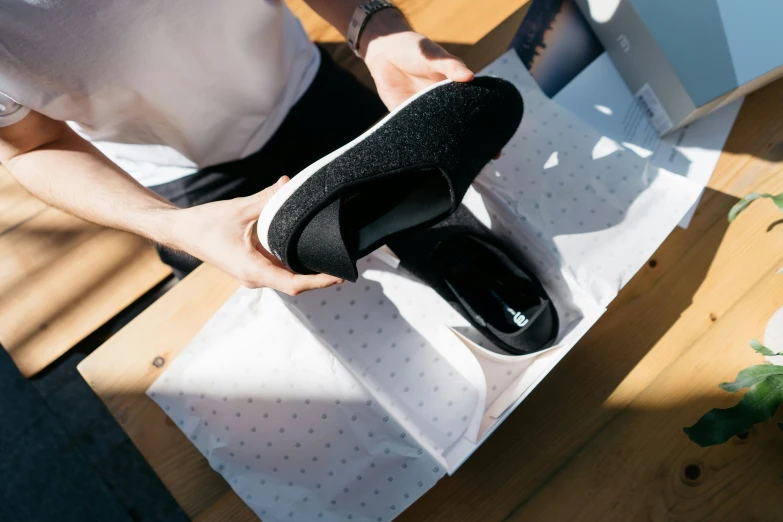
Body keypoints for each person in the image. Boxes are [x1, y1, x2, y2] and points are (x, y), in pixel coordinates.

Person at [0, 0, 475, 295]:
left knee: (458, 239)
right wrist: (170, 226)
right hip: (177, 188)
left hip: (303, 85)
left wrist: (373, 27)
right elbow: (32, 147)